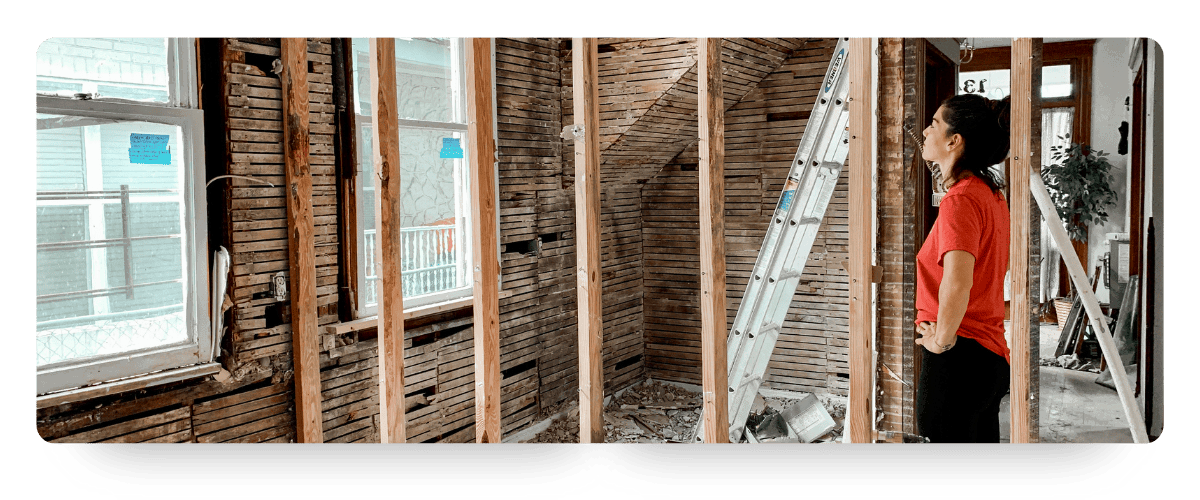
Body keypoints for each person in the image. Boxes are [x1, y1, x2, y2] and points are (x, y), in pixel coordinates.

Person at [914, 94, 1012, 443]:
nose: (925, 131)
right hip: (987, 356)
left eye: (935, 124)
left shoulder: (961, 199)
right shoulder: (990, 195)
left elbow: (957, 283)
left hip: (961, 357)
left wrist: (940, 342)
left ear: (954, 141)